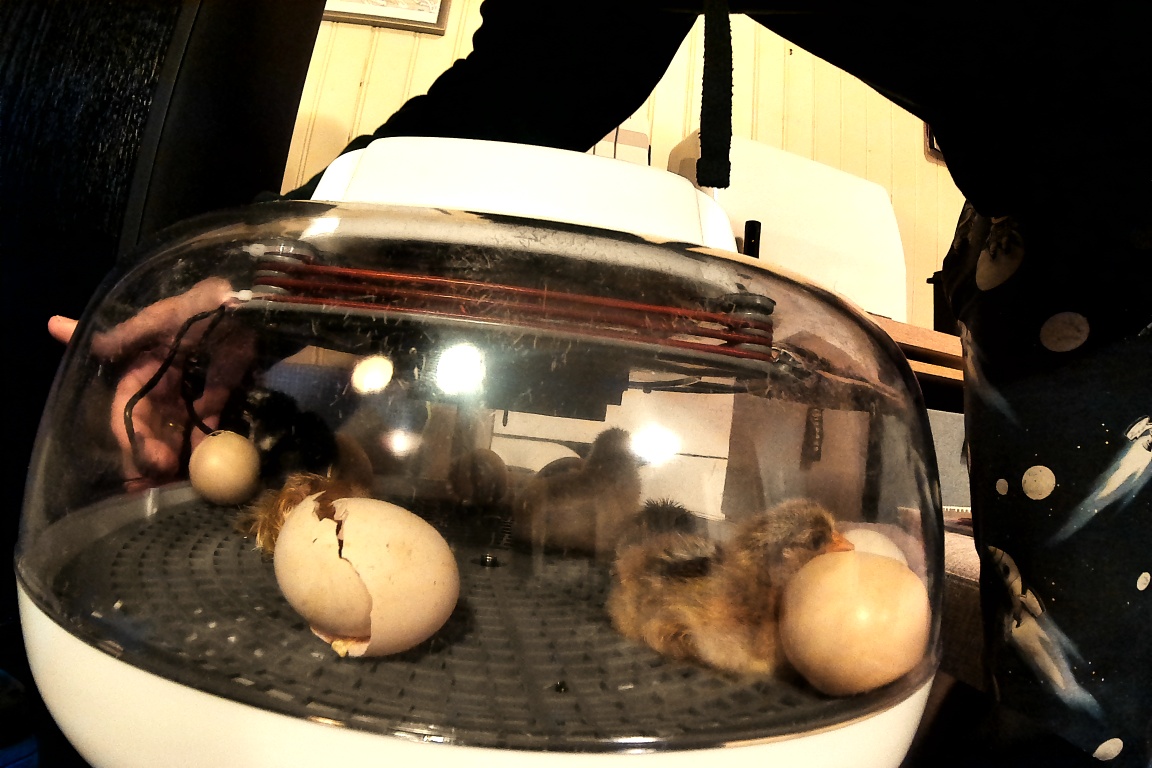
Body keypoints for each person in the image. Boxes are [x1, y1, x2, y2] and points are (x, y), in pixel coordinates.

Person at [53, 3, 1152, 765]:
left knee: (1108, 709)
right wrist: (273, 277)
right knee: (1066, 686)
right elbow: (568, 48)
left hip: (1117, 233)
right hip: (1054, 240)